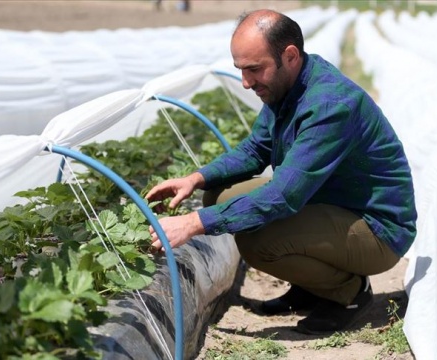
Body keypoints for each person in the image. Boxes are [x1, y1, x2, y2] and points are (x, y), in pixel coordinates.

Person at [145, 9, 417, 334]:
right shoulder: (287, 84)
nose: (246, 82)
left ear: (289, 56)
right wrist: (195, 179)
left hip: (377, 231)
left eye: (254, 69)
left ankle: (349, 294)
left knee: (258, 240)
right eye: (241, 70)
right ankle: (312, 286)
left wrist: (192, 224)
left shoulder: (329, 106)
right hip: (331, 203)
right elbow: (255, 149)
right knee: (219, 194)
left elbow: (284, 196)